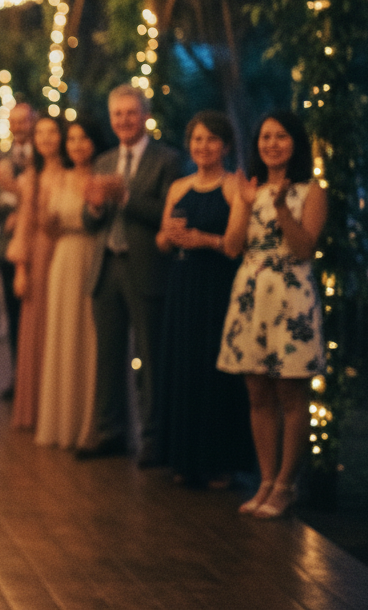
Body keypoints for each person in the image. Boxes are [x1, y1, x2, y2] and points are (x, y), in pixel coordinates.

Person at [219, 111, 327, 519]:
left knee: (291, 394)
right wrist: (245, 206)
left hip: (291, 296)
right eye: (265, 137)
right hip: (250, 295)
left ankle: (286, 484)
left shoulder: (310, 191)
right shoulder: (250, 189)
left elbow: (304, 249)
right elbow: (231, 247)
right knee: (258, 392)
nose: (272, 144)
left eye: (281, 136)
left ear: (295, 142)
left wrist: (281, 208)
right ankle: (266, 480)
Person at [80, 85, 182, 464]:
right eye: (118, 114)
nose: (124, 120)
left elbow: (169, 215)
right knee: (107, 356)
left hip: (146, 267)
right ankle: (109, 431)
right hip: (106, 267)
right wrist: (92, 207)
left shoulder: (166, 160)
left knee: (149, 357)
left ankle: (152, 437)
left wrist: (126, 198)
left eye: (131, 113)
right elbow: (90, 222)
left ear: (145, 116)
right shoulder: (104, 160)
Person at [156, 111, 252, 488]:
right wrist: (169, 235)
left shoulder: (233, 187)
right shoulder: (178, 187)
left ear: (225, 146)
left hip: (218, 286)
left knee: (216, 369)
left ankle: (219, 462)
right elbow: (162, 242)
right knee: (183, 366)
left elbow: (234, 245)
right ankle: (183, 457)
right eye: (197, 139)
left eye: (211, 140)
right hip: (182, 282)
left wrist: (203, 240)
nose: (203, 146)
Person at [34, 119, 104, 450]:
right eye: (72, 139)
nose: (76, 145)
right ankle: (63, 423)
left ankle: (91, 425)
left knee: (91, 337)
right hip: (63, 258)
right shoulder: (58, 178)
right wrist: (44, 219)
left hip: (93, 255)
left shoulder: (103, 176)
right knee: (63, 337)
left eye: (83, 138)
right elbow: (48, 228)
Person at [7, 114, 66, 430]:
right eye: (40, 134)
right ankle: (36, 411)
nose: (45, 139)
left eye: (51, 133)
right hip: (40, 256)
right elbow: (25, 225)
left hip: (67, 254)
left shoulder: (72, 173)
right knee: (37, 329)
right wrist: (21, 269)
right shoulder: (31, 177)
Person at [0, 102, 37, 400]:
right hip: (7, 247)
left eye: (25, 121)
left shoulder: (43, 156)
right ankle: (19, 377)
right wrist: (7, 207)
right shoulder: (0, 157)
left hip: (36, 245)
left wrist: (20, 208)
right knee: (14, 315)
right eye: (14, 121)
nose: (19, 126)